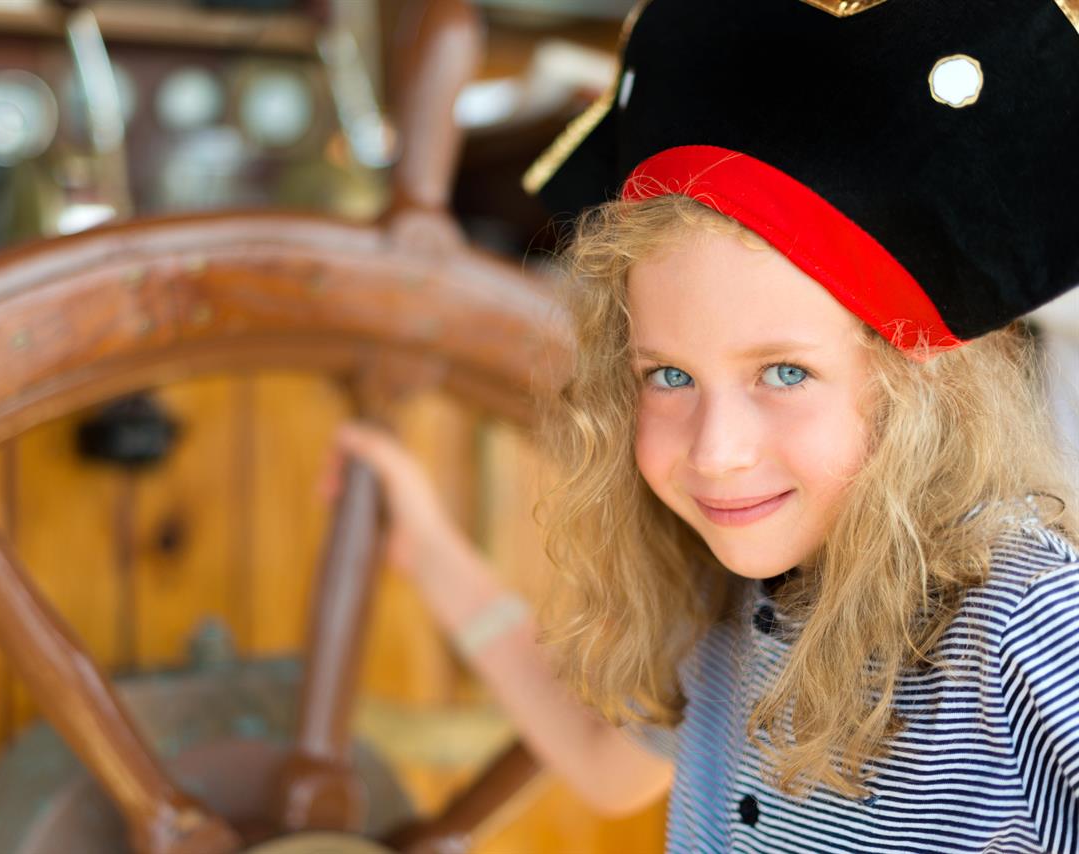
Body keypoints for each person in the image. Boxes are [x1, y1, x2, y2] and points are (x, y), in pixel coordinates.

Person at [322, 0, 1079, 850]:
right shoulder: (730, 596)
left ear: (921, 385)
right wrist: (429, 549)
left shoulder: (1027, 618)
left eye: (785, 373)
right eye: (670, 376)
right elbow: (605, 765)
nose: (717, 452)